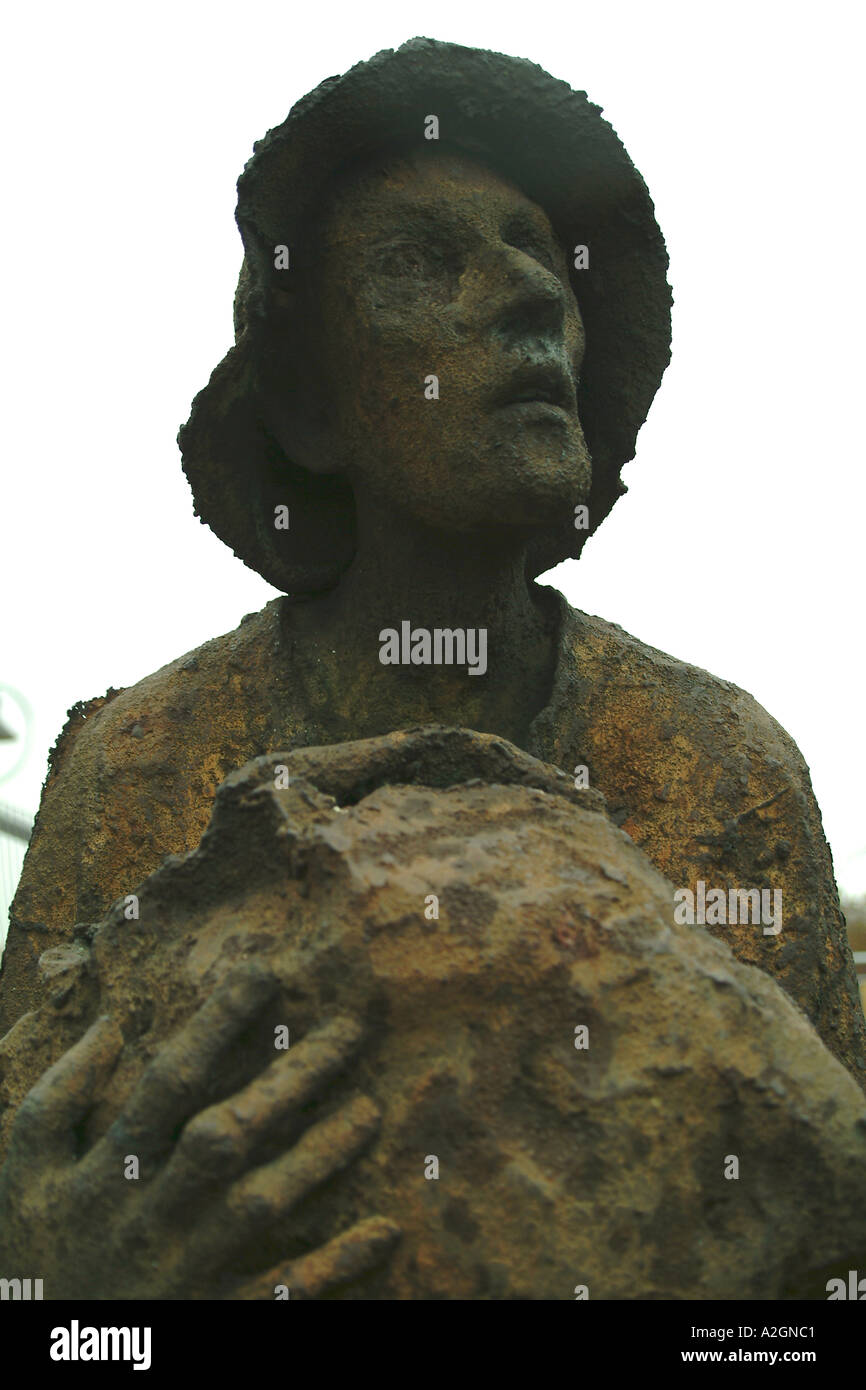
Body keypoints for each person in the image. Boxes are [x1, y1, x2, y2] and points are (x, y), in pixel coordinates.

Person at [1, 36, 863, 1296]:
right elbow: (35, 1195)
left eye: (536, 255)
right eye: (420, 263)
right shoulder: (139, 762)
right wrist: (59, 1275)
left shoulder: (719, 763)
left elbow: (828, 1255)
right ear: (305, 409)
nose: (524, 293)